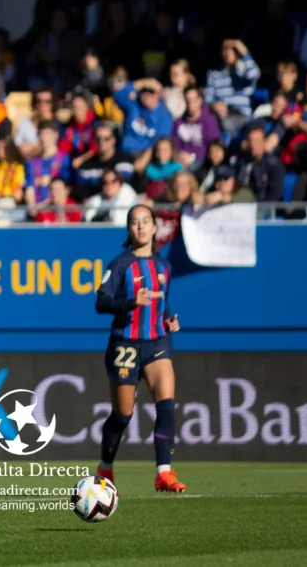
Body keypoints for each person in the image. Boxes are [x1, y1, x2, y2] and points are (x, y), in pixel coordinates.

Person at [94, 205, 184, 493]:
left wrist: (168, 320)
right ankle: (105, 468)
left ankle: (164, 473)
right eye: (135, 223)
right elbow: (101, 303)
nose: (141, 227)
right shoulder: (120, 265)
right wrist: (131, 302)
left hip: (157, 343)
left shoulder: (164, 267)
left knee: (167, 404)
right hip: (125, 347)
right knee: (122, 415)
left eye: (146, 221)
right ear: (129, 229)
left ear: (155, 228)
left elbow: (162, 304)